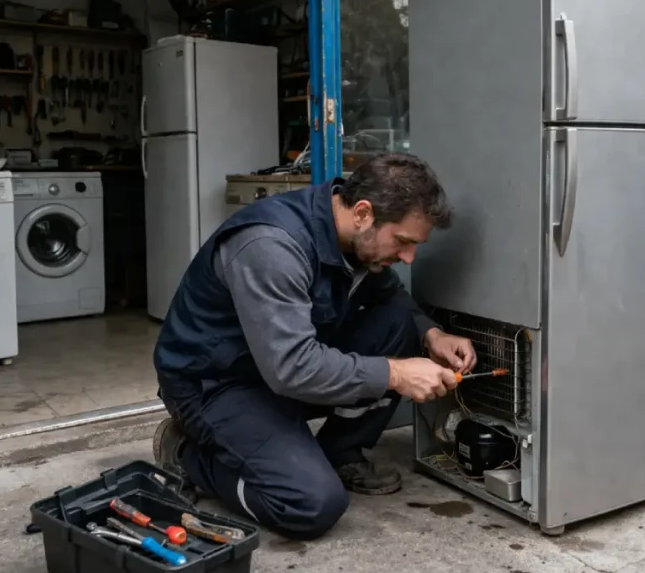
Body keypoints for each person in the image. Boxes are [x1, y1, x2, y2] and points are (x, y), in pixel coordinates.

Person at [152, 153, 477, 540]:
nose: (408, 257)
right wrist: (396, 374)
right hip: (214, 386)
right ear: (362, 213)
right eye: (404, 242)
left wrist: (432, 335)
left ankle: (340, 453)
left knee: (399, 324)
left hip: (275, 372)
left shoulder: (356, 242)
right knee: (310, 503)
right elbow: (293, 367)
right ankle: (187, 455)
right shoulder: (271, 246)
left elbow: (392, 299)